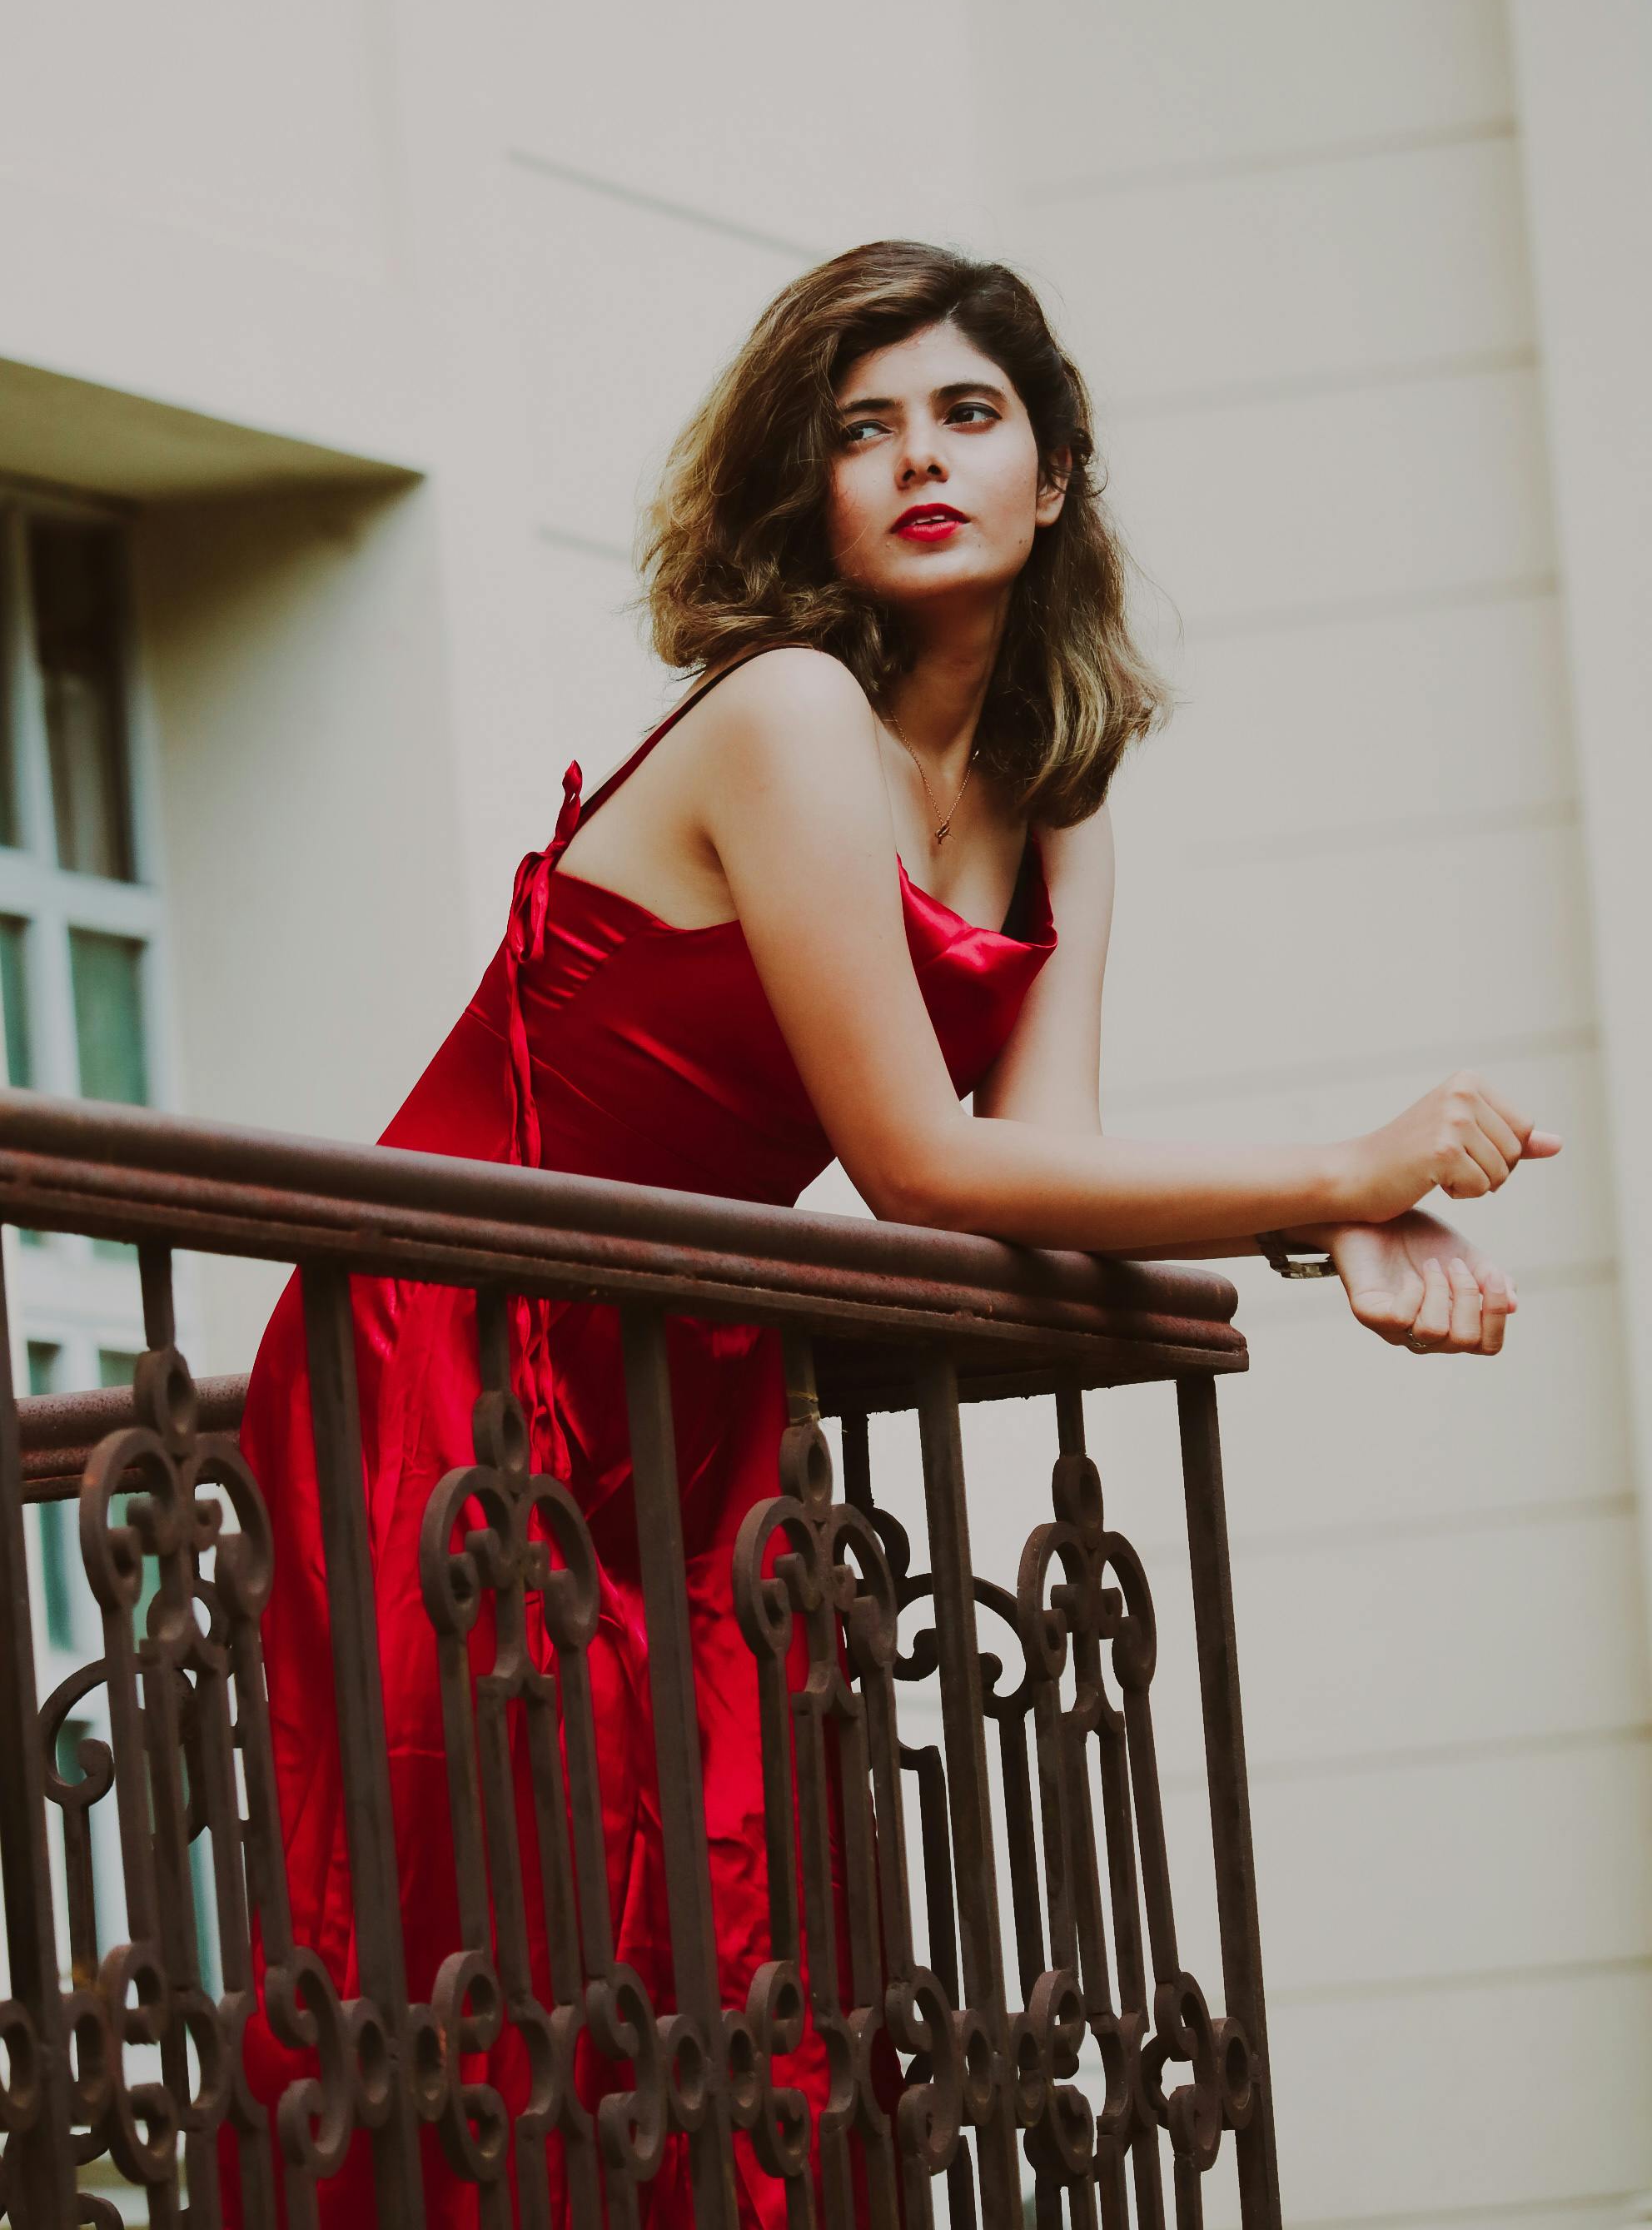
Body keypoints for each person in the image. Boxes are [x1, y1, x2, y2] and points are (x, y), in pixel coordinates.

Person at [227, 241, 1558, 2226]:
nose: (916, 460)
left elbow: (1034, 1169)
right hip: (445, 1356)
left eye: (966, 414)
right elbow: (920, 1165)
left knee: (727, 1978)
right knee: (480, 1988)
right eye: (860, 430)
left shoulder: (1055, 788)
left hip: (685, 1385)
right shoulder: (780, 713)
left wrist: (1321, 1233)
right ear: (810, 496)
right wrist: (1334, 1168)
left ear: (1053, 473)